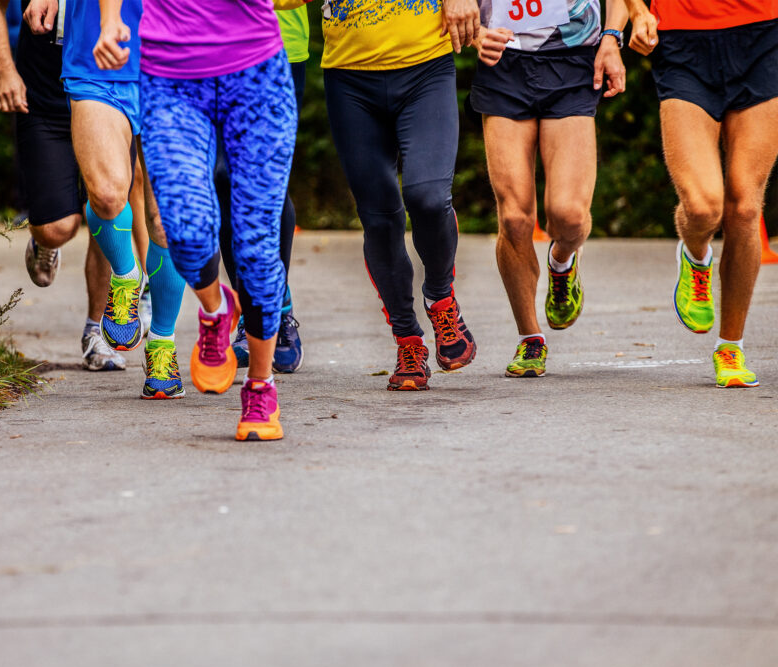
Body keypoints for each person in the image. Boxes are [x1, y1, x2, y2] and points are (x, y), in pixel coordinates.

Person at [96, 0, 297, 440]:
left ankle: (261, 387)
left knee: (257, 248)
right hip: (171, 78)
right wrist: (110, 22)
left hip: (257, 73)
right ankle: (216, 308)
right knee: (181, 230)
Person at [25, 0, 189, 399]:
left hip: (180, 58)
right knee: (107, 193)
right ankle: (126, 276)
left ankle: (162, 345)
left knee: (167, 218)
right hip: (96, 52)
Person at [320, 0, 481, 391]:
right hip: (349, 75)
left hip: (425, 64)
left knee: (427, 196)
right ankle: (408, 340)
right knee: (378, 216)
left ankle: (441, 298)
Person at [624, 0, 778, 388]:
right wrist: (636, 10)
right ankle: (695, 254)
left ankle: (730, 346)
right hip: (682, 39)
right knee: (703, 207)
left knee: (744, 206)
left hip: (764, 34)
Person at [471, 0, 627, 377]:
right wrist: (475, 33)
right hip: (502, 59)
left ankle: (562, 262)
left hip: (574, 59)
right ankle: (530, 338)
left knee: (569, 215)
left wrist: (611, 36)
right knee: (514, 218)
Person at [0, 0, 125, 372]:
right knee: (59, 227)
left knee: (107, 204)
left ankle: (97, 332)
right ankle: (44, 241)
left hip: (104, 93)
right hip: (44, 102)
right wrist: (5, 71)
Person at [216, 4, 310, 375]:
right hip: (210, 46)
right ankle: (251, 309)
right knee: (223, 178)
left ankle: (274, 312)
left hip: (280, 44)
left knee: (267, 181)